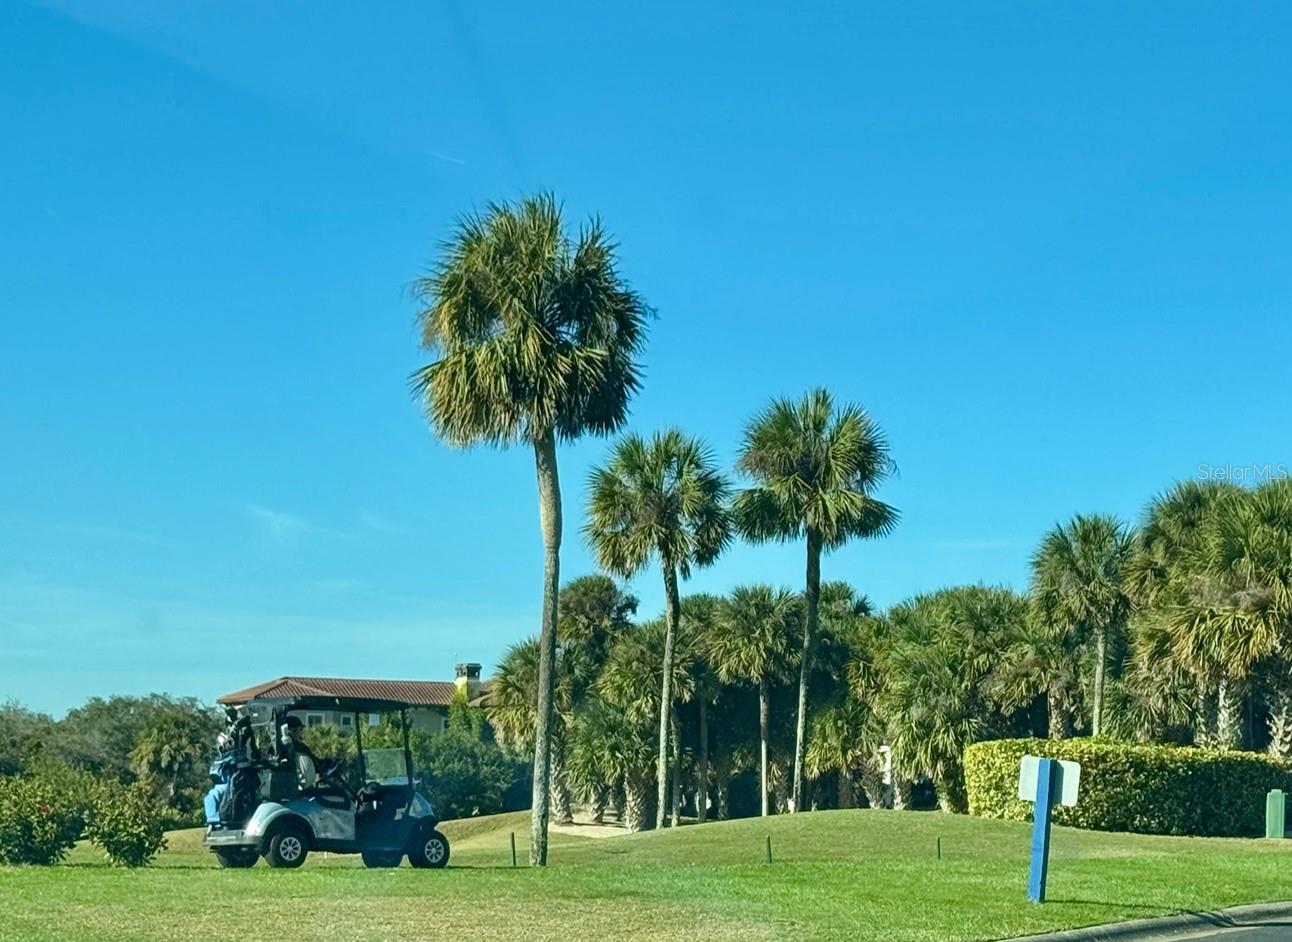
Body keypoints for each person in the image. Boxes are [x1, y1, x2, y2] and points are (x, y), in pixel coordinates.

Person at [283, 715, 319, 790]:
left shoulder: (276, 748)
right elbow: (316, 765)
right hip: (300, 787)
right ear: (292, 730)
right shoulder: (301, 748)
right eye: (300, 729)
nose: (301, 733)